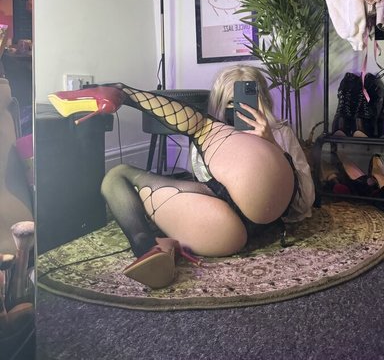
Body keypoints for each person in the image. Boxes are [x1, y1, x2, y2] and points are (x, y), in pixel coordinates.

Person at [48, 65, 315, 289]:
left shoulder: (279, 133)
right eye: (231, 104)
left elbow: (305, 202)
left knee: (122, 172)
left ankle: (146, 248)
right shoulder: (241, 140)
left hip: (234, 225)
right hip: (230, 223)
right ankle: (121, 92)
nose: (238, 110)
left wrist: (270, 145)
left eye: (245, 101)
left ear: (262, 101)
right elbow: (204, 190)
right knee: (198, 132)